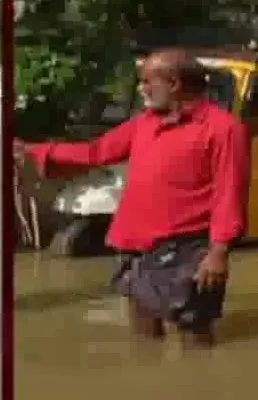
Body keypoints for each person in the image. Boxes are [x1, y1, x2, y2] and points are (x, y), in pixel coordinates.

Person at [15, 50, 251, 348]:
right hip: (136, 245)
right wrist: (34, 151)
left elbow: (230, 193)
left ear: (174, 83)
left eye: (147, 82)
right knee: (143, 333)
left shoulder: (224, 129)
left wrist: (218, 253)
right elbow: (96, 152)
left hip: (188, 247)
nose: (141, 89)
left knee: (193, 333)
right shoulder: (145, 123)